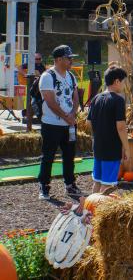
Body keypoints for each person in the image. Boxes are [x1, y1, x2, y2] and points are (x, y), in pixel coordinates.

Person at [38, 45, 80, 200]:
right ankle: (44, 185)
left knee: (69, 155)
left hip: (69, 124)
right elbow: (50, 101)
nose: (71, 60)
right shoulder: (47, 76)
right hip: (51, 124)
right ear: (59, 59)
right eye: (68, 58)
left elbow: (75, 97)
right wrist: (65, 116)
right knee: (48, 156)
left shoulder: (71, 75)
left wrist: (73, 114)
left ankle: (70, 184)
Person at [87, 66, 128, 193]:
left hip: (98, 146)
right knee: (108, 185)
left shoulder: (96, 98)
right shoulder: (118, 100)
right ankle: (100, 211)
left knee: (98, 182)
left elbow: (88, 123)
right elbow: (121, 127)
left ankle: (91, 209)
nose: (123, 85)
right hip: (112, 148)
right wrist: (126, 148)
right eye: (123, 82)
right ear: (116, 81)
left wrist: (99, 134)